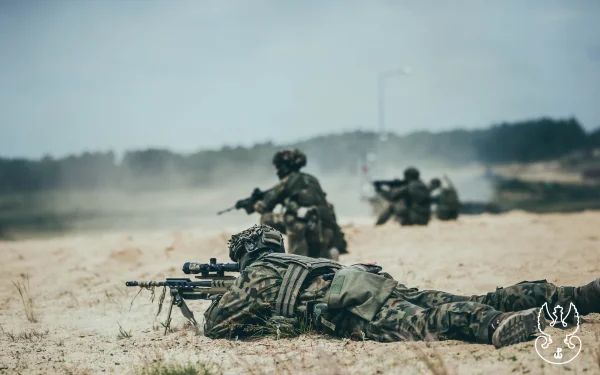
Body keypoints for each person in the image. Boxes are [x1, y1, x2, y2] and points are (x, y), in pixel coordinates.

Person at [204, 225, 600, 348]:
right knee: (470, 297)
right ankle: (578, 298)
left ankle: (499, 324)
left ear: (245, 255)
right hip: (377, 287)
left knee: (433, 321)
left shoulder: (259, 273)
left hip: (357, 309)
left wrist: (222, 296)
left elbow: (217, 325)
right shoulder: (300, 261)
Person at [253, 148, 345, 259]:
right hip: (324, 231)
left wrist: (253, 203)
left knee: (266, 218)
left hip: (301, 229)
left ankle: (273, 256)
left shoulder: (287, 181)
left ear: (284, 167)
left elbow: (264, 206)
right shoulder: (312, 179)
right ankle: (325, 254)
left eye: (278, 167)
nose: (276, 171)